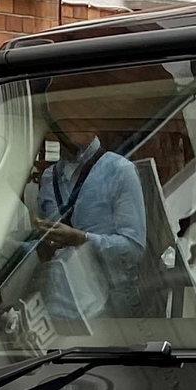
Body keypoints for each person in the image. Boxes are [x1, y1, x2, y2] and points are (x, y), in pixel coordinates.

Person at [30, 90, 148, 325]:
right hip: (56, 306)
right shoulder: (47, 177)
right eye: (67, 120)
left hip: (108, 311)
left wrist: (82, 239)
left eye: (83, 118)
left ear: (96, 123)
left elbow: (134, 247)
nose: (75, 126)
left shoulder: (120, 170)